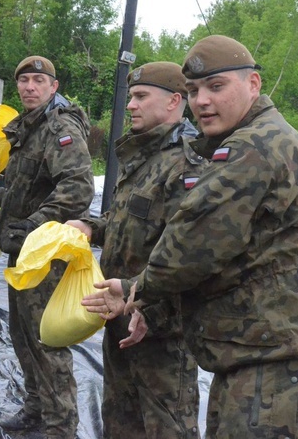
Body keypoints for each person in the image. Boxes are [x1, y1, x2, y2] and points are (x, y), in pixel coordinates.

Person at [83, 35, 298, 438]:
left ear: (254, 85)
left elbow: (192, 244)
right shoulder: (256, 139)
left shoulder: (253, 145)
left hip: (283, 352)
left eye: (216, 86)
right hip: (271, 345)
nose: (202, 101)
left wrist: (135, 290)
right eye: (193, 91)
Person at [66, 61, 206, 438]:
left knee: (166, 428)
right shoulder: (144, 155)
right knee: (119, 423)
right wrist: (90, 227)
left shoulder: (188, 164)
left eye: (141, 97)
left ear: (175, 101)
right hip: (119, 315)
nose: (130, 106)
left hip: (159, 331)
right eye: (131, 98)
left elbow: (194, 256)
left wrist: (147, 306)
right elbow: (125, 221)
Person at [0, 55, 94, 438]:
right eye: (24, 81)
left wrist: (33, 225)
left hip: (45, 252)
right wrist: (0, 195)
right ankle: (36, 407)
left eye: (38, 80)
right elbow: (32, 184)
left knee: (45, 340)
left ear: (54, 86)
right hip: (23, 248)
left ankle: (60, 426)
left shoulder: (59, 127)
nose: (30, 87)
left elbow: (77, 188)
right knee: (21, 334)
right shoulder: (29, 127)